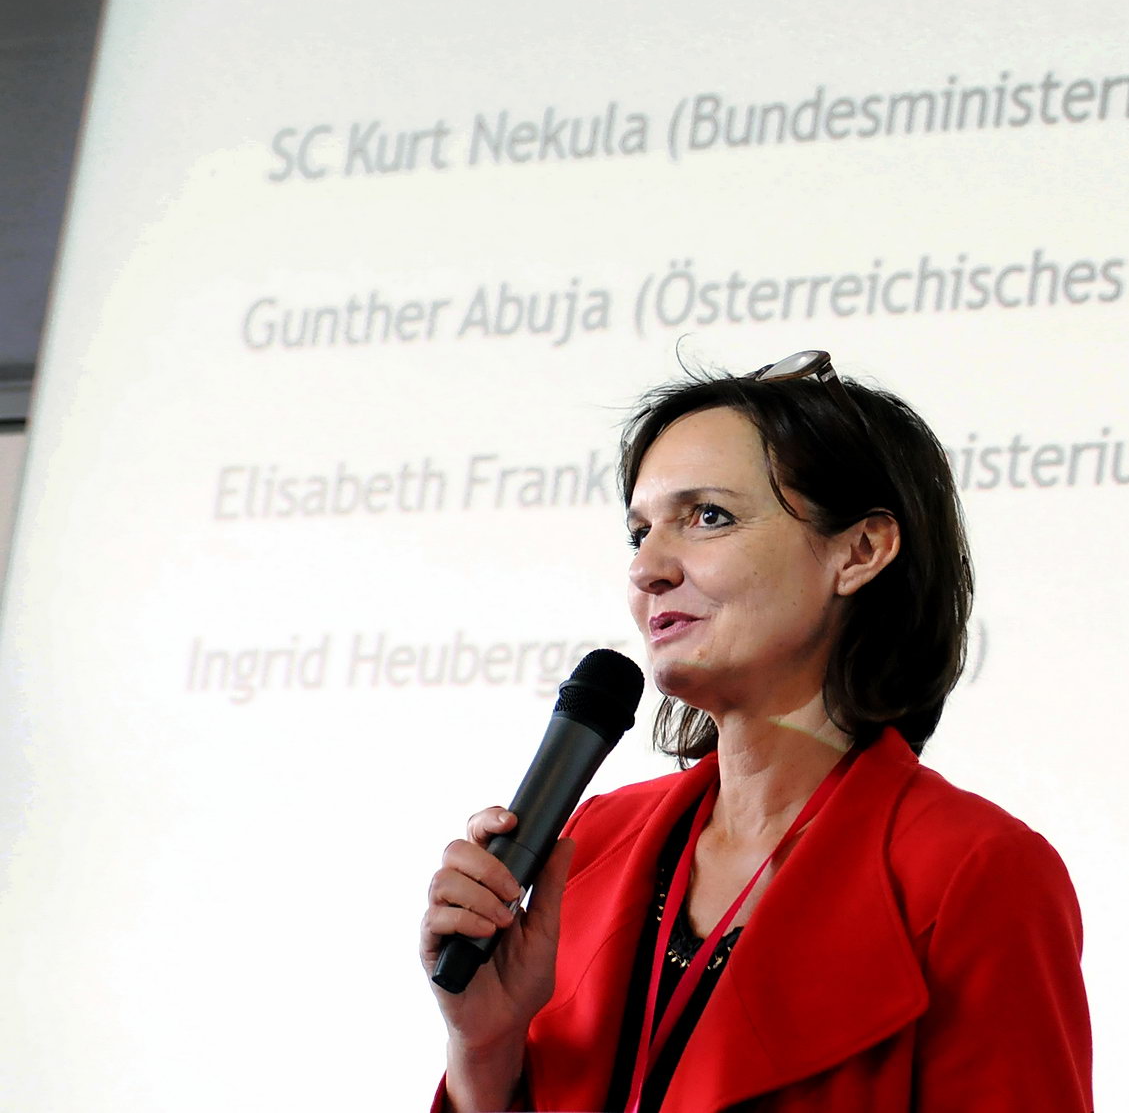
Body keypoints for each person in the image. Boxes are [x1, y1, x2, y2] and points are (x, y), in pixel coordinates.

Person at [419, 352, 1092, 1111]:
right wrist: (485, 1047)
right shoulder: (593, 842)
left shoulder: (974, 872)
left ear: (860, 551)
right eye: (640, 533)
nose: (648, 568)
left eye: (708, 516)